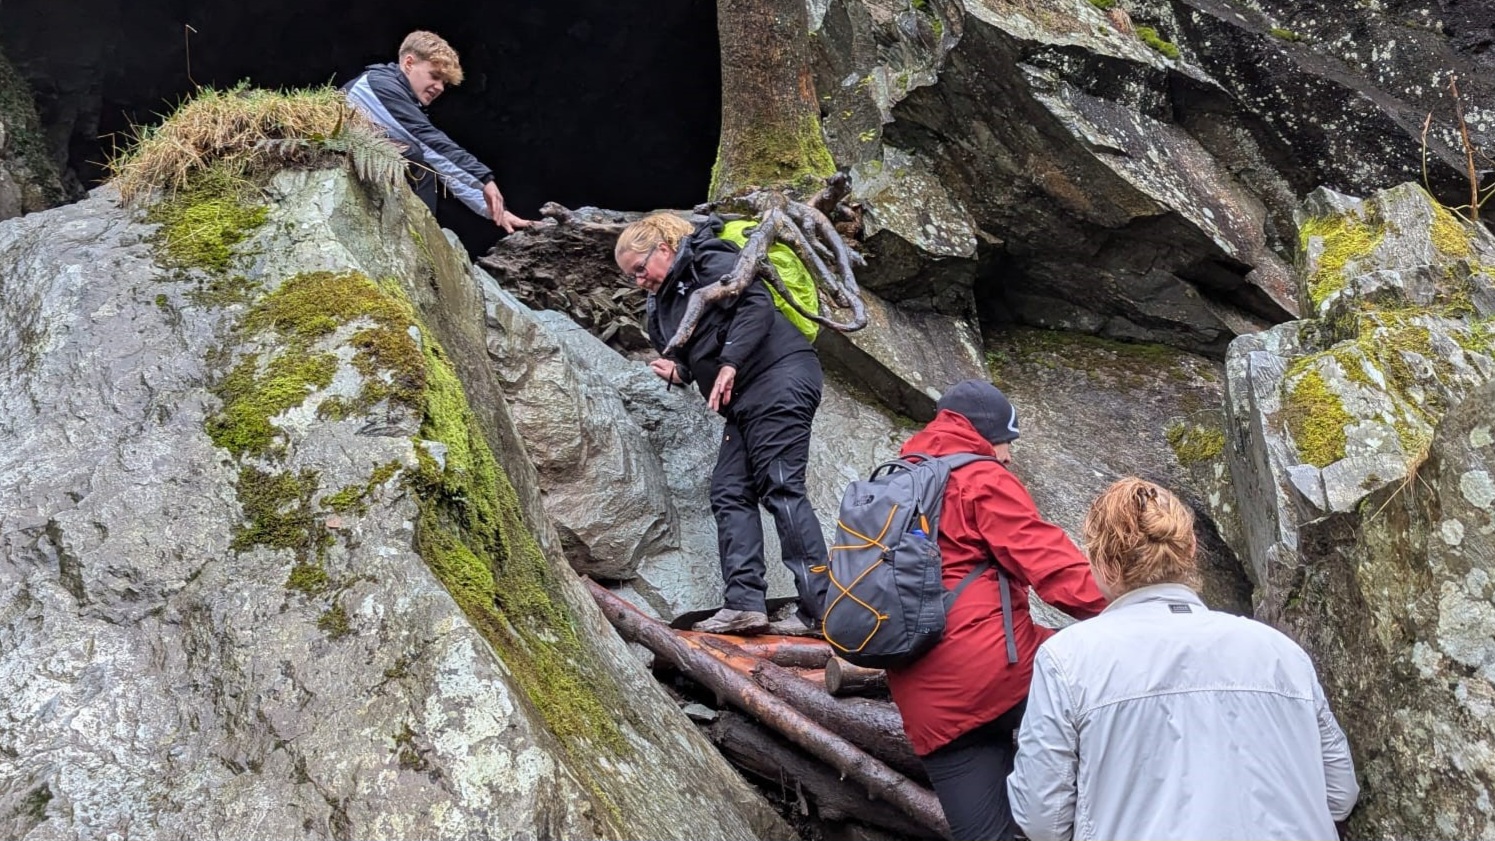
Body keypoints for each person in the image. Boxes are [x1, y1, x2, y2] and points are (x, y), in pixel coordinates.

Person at [1007, 477, 1360, 841]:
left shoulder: (1067, 660)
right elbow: (1339, 795)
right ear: (1191, 548)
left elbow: (1041, 818)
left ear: (1101, 563)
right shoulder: (1281, 653)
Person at [885, 379, 1108, 841]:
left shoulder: (891, 484)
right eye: (1006, 441)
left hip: (925, 702)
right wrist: (1140, 609)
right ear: (983, 434)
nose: (1007, 455)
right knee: (1103, 693)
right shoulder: (979, 477)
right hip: (1000, 678)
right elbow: (1055, 571)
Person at [615, 212, 829, 637]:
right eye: (631, 277)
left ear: (664, 248)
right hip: (745, 401)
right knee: (730, 491)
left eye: (641, 269)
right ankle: (745, 604)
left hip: (779, 376)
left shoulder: (707, 259)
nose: (639, 281)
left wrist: (730, 363)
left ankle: (822, 609)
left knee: (782, 487)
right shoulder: (664, 302)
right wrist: (680, 372)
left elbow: (755, 305)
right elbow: (697, 353)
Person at [343, 31, 529, 233]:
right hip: (343, 158)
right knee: (414, 157)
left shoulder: (395, 92)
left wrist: (495, 211)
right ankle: (419, 240)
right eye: (435, 76)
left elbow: (440, 163)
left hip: (362, 155)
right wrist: (484, 180)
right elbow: (431, 143)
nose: (440, 87)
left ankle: (422, 240)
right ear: (408, 63)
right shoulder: (379, 86)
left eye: (444, 83)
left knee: (419, 163)